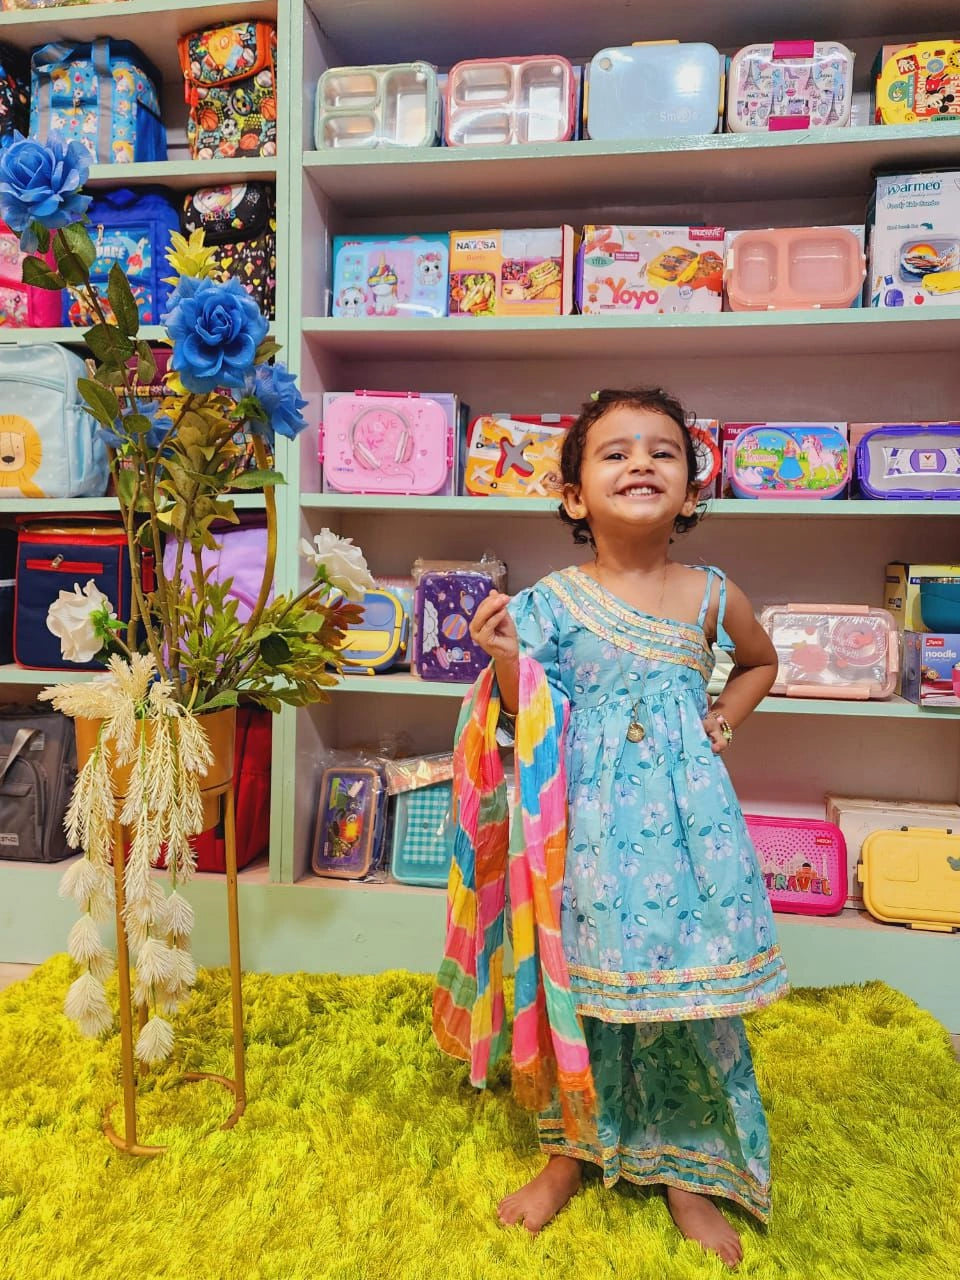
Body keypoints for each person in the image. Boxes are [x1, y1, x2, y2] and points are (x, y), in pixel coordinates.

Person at [445, 387, 789, 1270]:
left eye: (663, 451)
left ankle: (689, 1168)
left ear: (691, 487)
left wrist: (719, 723)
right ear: (572, 496)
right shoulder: (555, 603)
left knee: (686, 993)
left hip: (687, 838)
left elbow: (761, 662)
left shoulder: (712, 594)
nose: (641, 462)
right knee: (586, 986)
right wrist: (507, 661)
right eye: (615, 452)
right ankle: (571, 1152)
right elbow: (528, 710)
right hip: (587, 830)